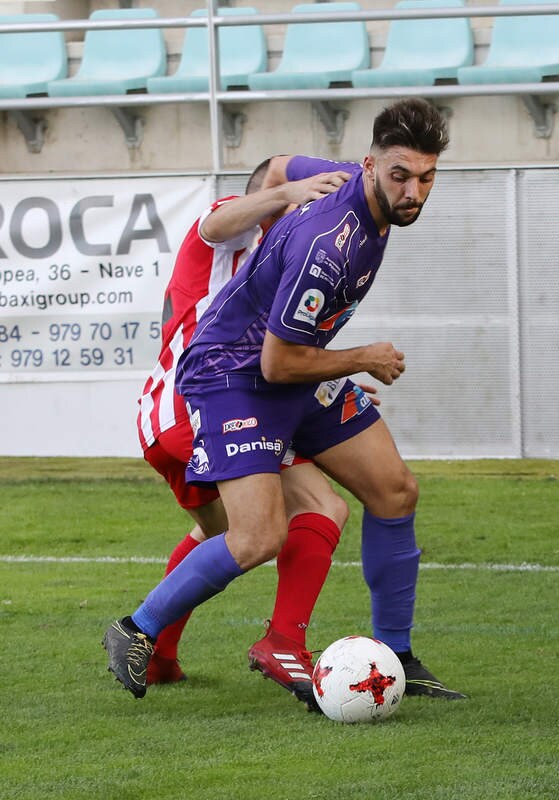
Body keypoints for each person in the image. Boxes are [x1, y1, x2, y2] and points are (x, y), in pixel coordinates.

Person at [104, 98, 466, 705]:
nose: (414, 192)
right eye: (401, 176)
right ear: (372, 166)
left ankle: (396, 655)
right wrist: (359, 359)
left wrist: (288, 176)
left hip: (291, 370)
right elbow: (275, 361)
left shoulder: (359, 180)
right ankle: (137, 629)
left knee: (393, 490)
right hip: (236, 377)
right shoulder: (328, 246)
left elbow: (276, 164)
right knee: (255, 538)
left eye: (426, 178)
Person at [135, 160, 360, 708]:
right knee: (319, 509)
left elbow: (279, 355)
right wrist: (287, 190)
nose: (311, 208)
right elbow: (216, 223)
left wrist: (334, 378)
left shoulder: (279, 261)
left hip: (174, 415)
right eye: (301, 199)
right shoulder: (230, 227)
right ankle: (282, 642)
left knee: (221, 538)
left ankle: (159, 655)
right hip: (199, 405)